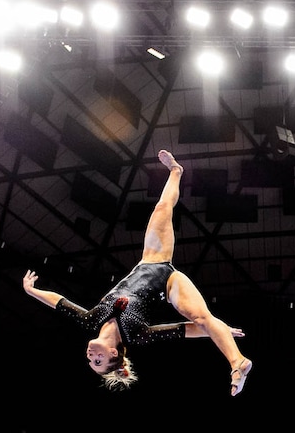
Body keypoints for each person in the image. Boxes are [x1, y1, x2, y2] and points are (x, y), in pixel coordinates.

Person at [23, 149, 253, 396]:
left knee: (162, 208)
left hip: (151, 259)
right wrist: (214, 328)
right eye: (97, 362)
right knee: (201, 318)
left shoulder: (90, 319)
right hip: (169, 283)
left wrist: (31, 290)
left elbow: (59, 303)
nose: (90, 358)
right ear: (113, 354)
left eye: (90, 361)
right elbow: (185, 329)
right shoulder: (137, 336)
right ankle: (237, 362)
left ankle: (176, 171)